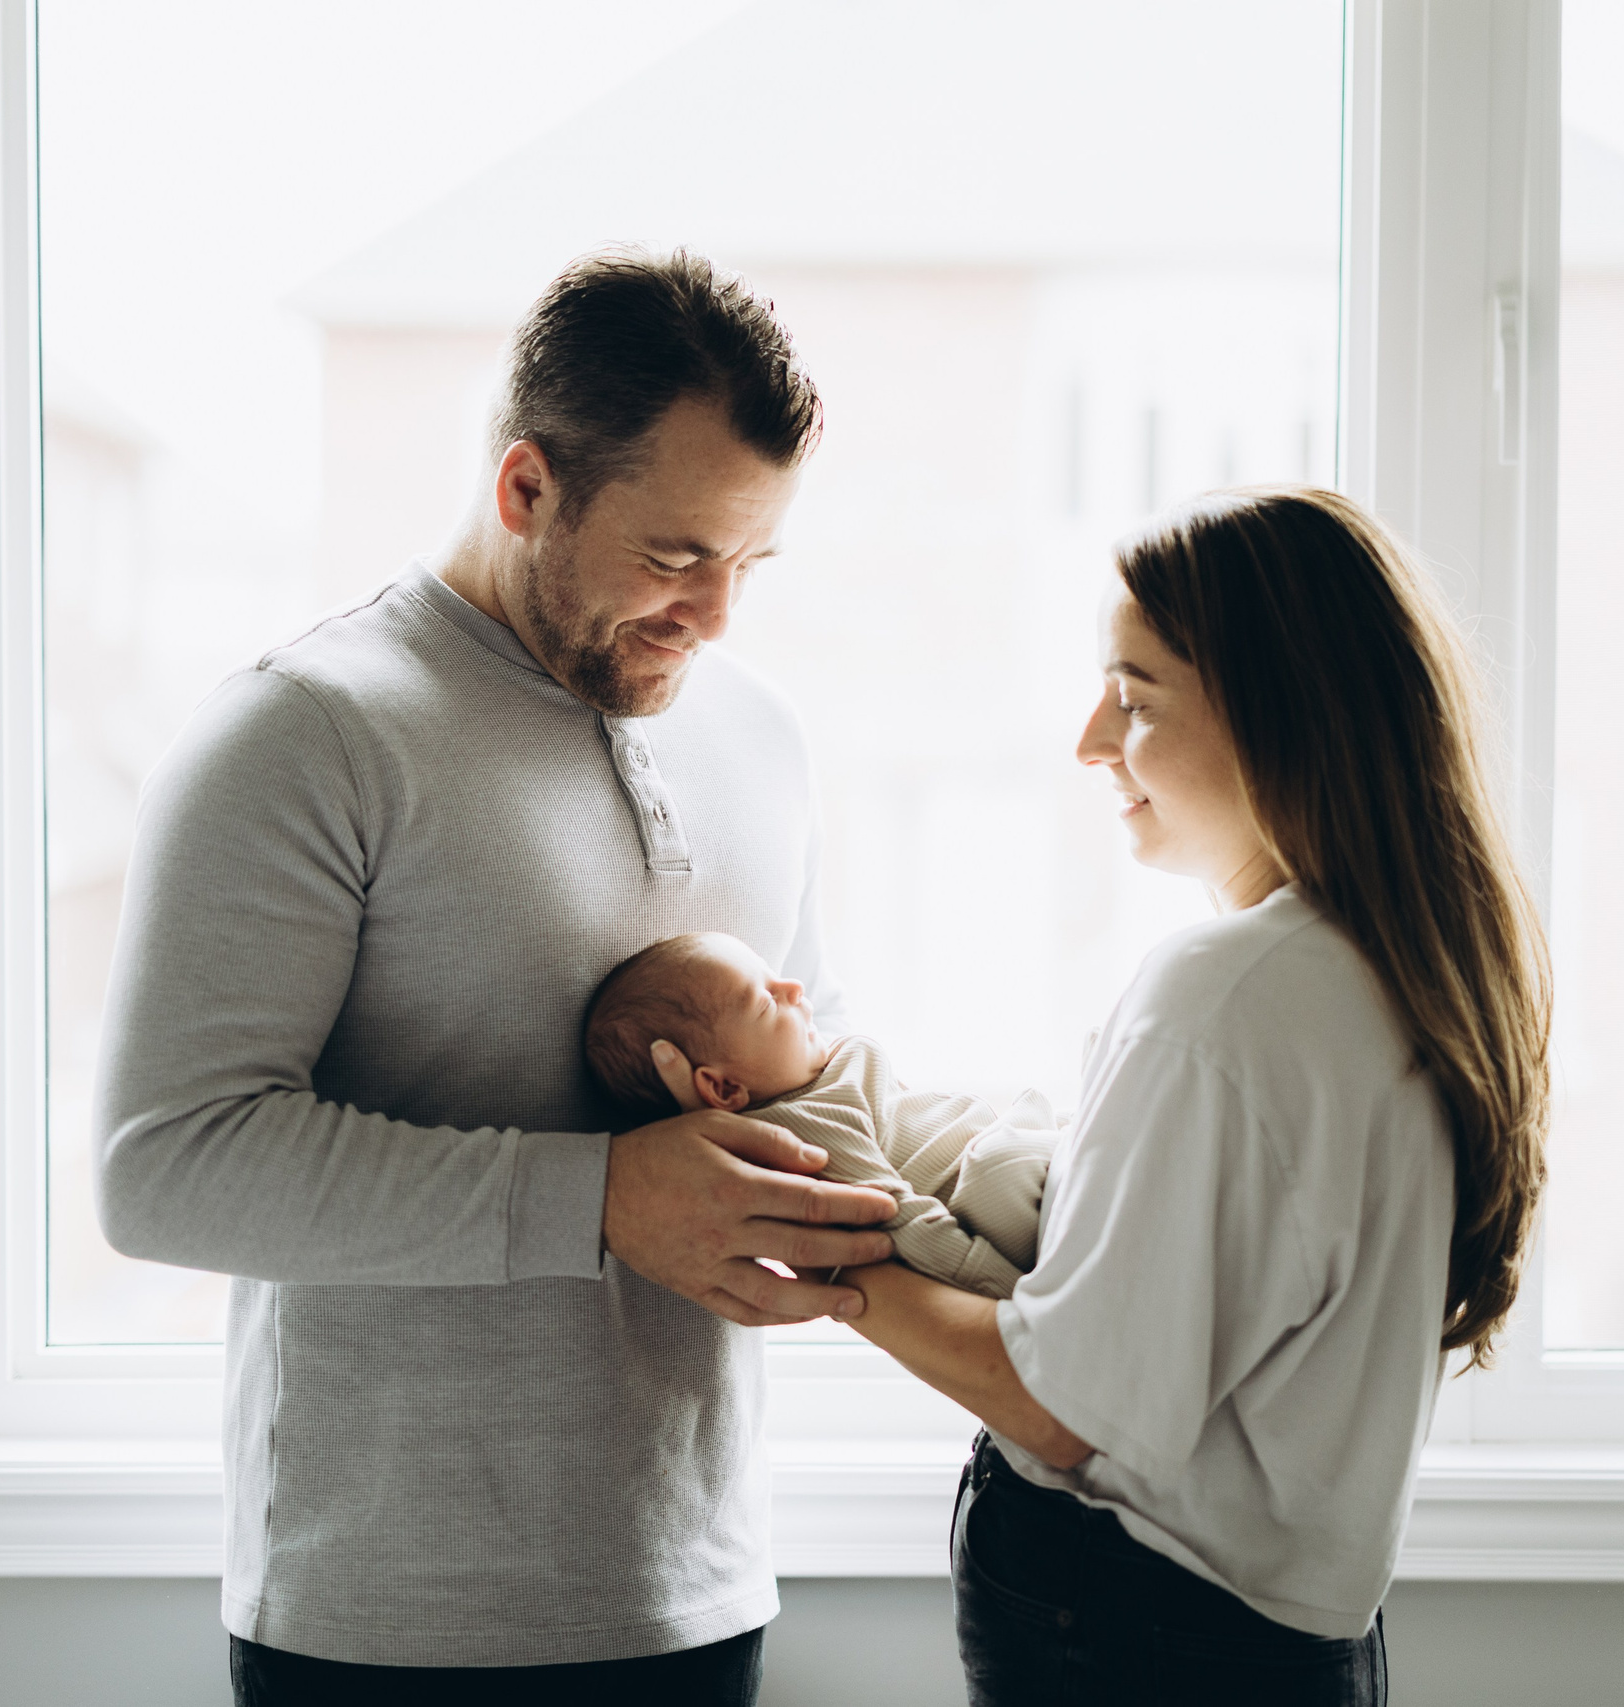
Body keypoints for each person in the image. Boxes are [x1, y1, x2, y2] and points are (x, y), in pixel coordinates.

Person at [92, 247, 905, 1706]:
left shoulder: (763, 736)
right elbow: (165, 1167)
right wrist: (600, 1200)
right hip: (388, 1625)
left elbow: (817, 1056)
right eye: (676, 558)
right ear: (525, 485)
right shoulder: (305, 735)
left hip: (693, 1589)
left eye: (751, 562)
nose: (717, 615)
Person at [655, 487, 1551, 1705]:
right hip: (1287, 1639)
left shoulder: (1227, 996)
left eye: (1133, 697)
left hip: (1146, 1634)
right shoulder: (1393, 971)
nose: (1088, 740)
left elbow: (1061, 1407)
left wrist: (813, 1261)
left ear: (1281, 712)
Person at [584, 930, 1062, 1298]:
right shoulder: (803, 1130)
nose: (793, 986)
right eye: (767, 1001)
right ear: (724, 1087)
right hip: (995, 1187)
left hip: (1017, 1151)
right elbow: (899, 1220)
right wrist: (1009, 1297)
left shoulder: (818, 1068)